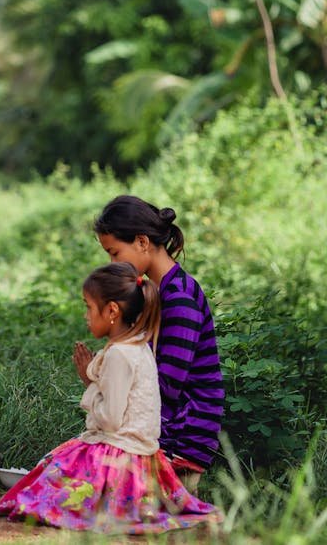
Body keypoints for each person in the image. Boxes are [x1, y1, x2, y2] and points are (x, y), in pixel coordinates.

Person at [0, 263, 221, 534]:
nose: (86, 316)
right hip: (146, 458)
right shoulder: (138, 346)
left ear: (112, 310)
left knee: (54, 469)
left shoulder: (119, 354)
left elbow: (111, 420)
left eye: (89, 307)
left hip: (119, 457)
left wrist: (90, 387)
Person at [93, 195, 224, 491]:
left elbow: (165, 387)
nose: (113, 263)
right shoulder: (159, 291)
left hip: (180, 438)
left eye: (115, 253)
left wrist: (106, 384)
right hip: (161, 427)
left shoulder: (179, 298)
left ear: (141, 242)